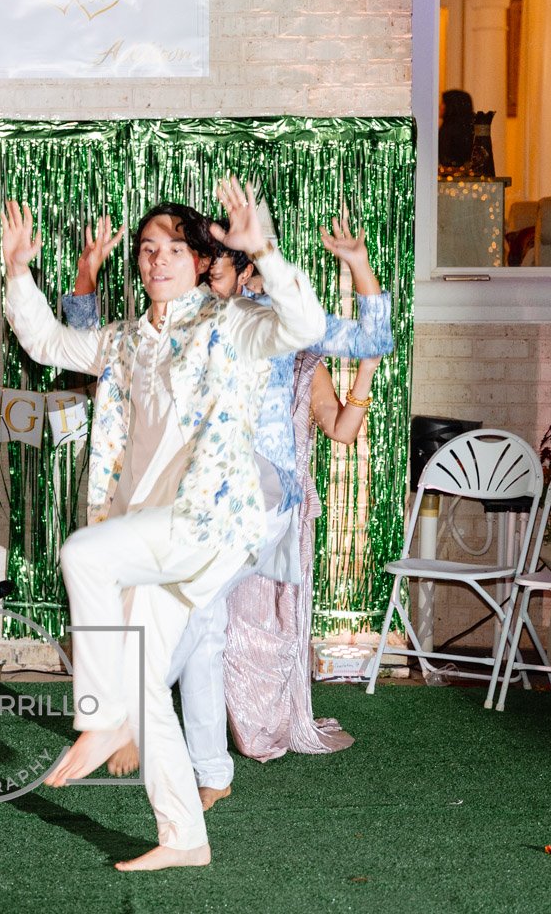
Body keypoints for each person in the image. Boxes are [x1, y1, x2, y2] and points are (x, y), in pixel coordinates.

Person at [3, 179, 325, 872]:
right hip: (154, 529)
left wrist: (262, 247)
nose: (156, 260)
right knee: (150, 682)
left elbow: (305, 327)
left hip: (208, 522)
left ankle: (96, 715)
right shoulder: (124, 340)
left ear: (201, 259)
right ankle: (184, 836)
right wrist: (19, 271)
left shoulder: (228, 323)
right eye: (147, 250)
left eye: (173, 249)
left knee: (83, 556)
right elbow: (45, 341)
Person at [63, 208, 391, 809]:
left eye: (210, 260)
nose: (192, 269)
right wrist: (87, 273)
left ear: (240, 270)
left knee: (183, 609)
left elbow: (372, 339)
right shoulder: (178, 325)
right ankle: (210, 768)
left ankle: (129, 713)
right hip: (204, 499)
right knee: (206, 626)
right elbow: (91, 353)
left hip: (256, 498)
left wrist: (359, 264)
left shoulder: (258, 319)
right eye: (191, 257)